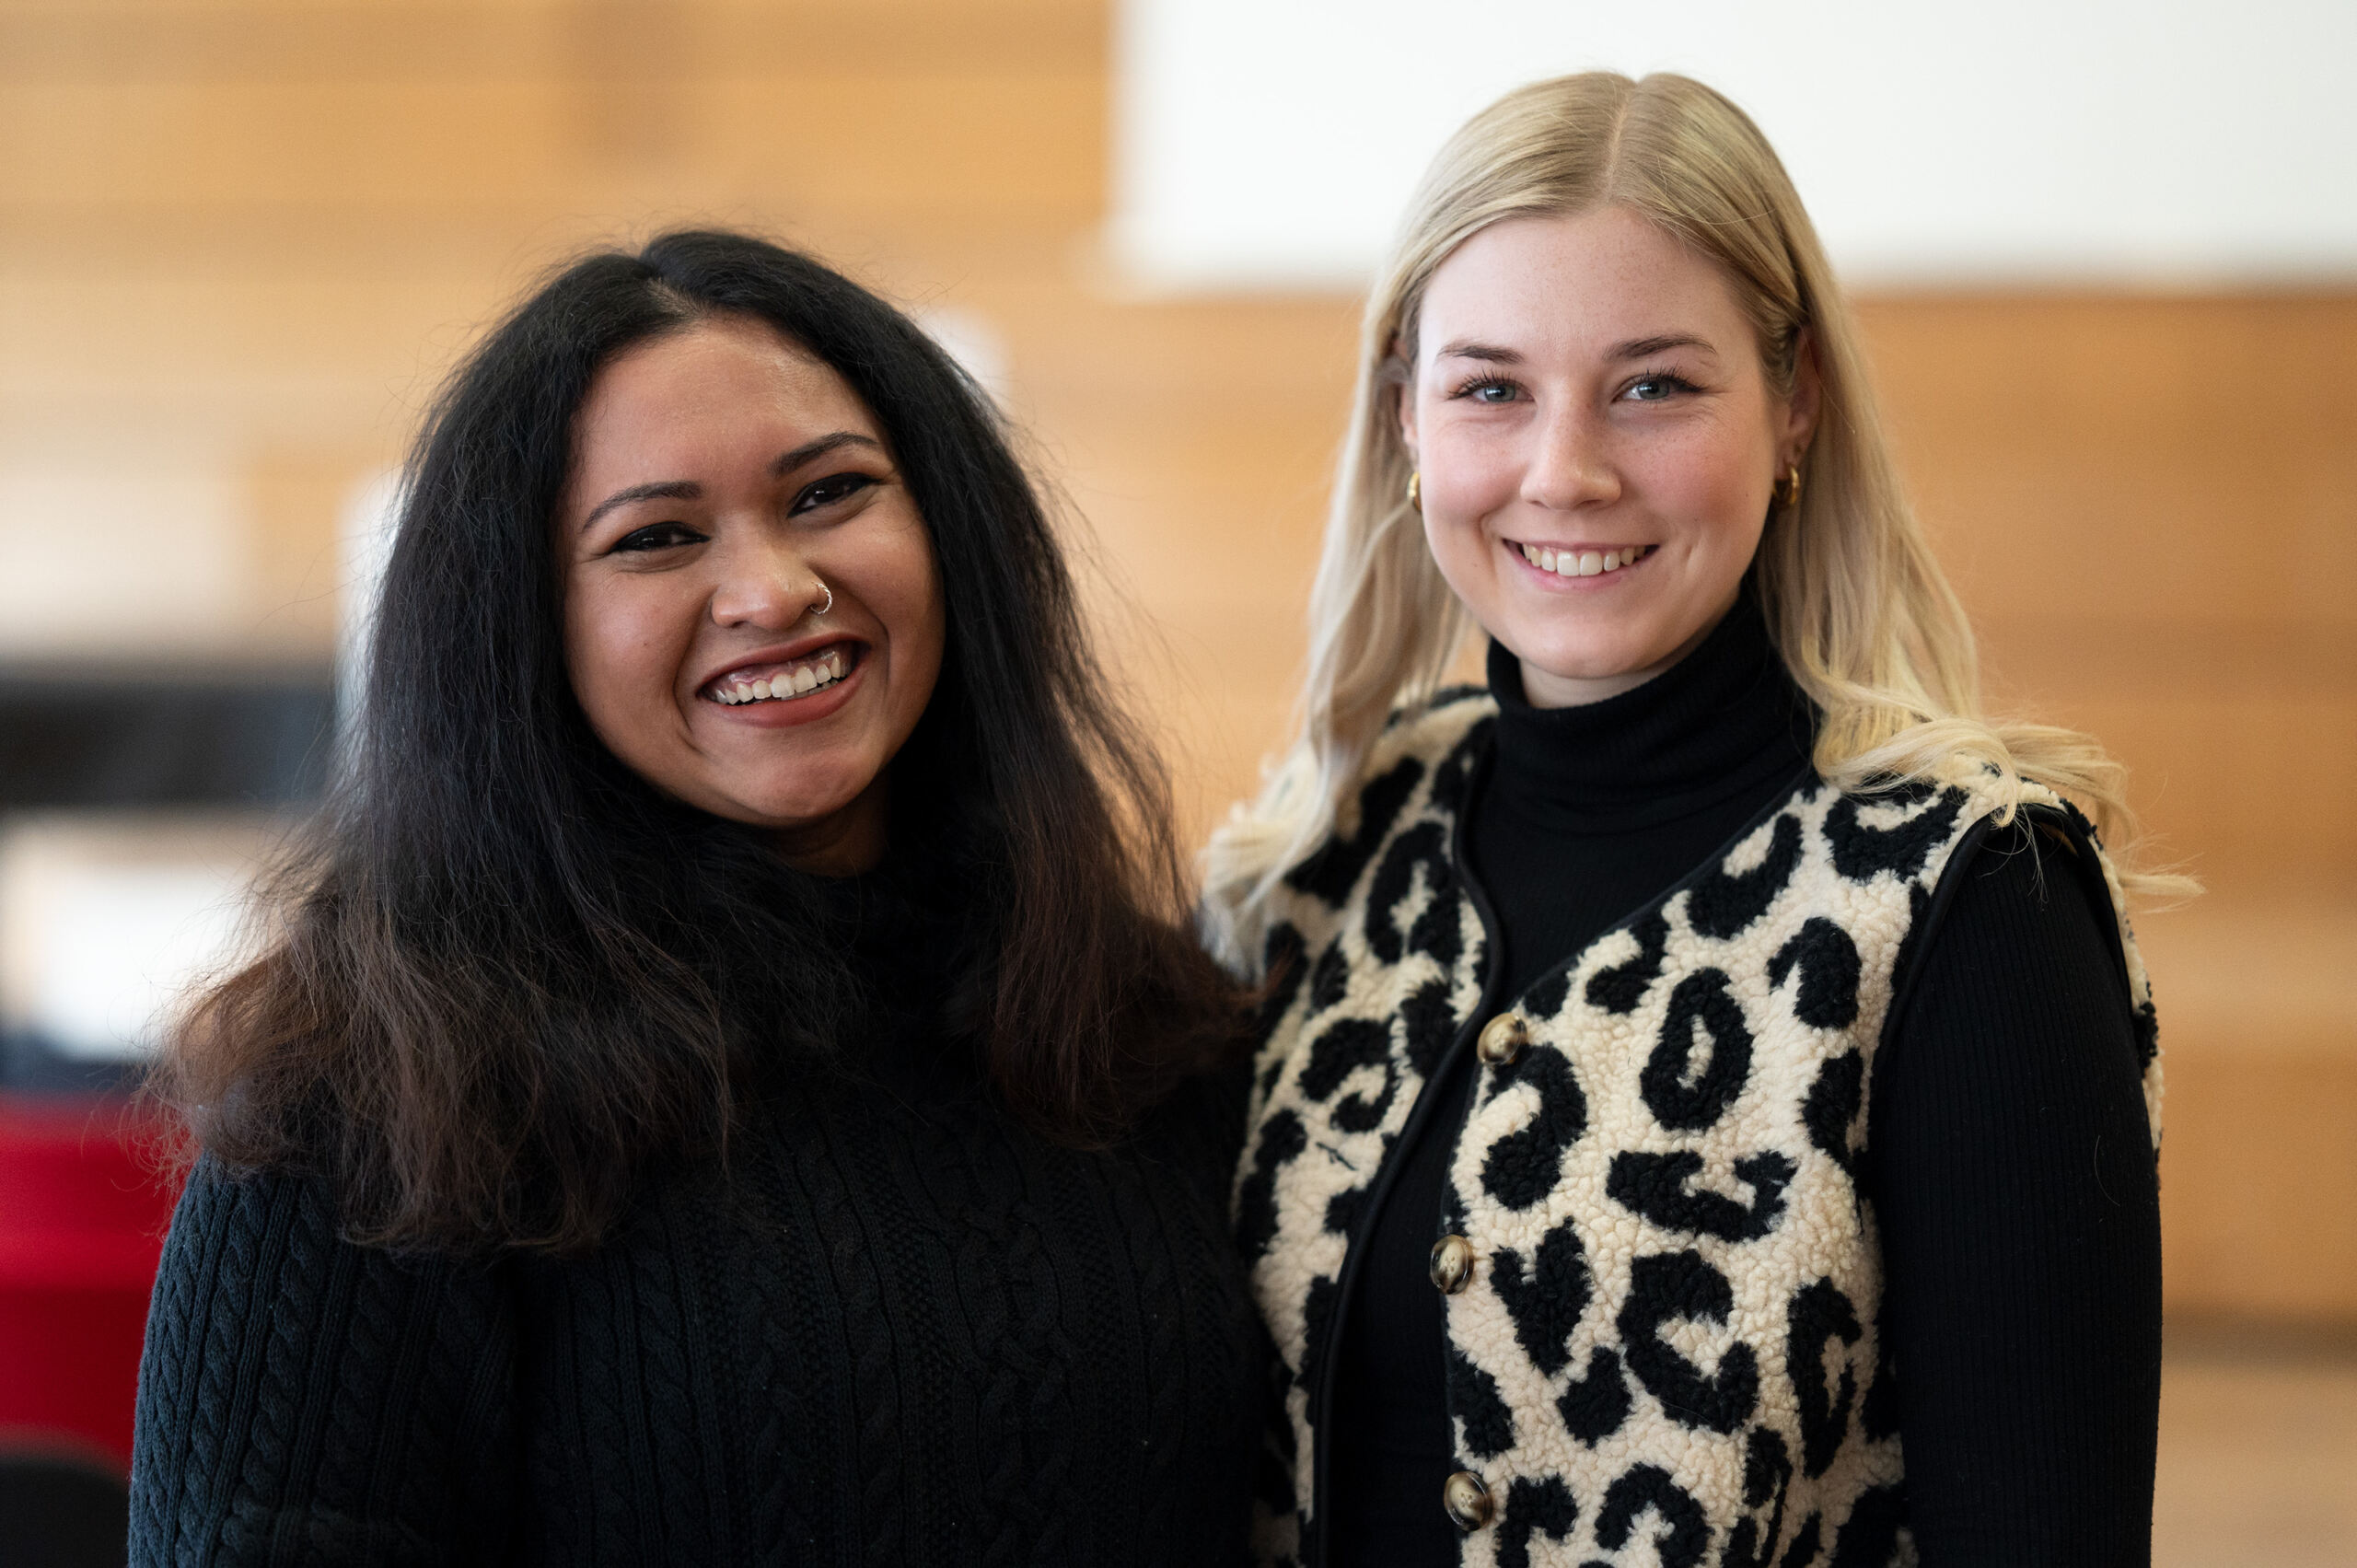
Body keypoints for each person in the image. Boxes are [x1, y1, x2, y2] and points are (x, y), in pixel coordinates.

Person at [133, 230, 1260, 1565]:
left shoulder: (1144, 1030)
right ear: (520, 631)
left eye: (831, 493)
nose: (774, 590)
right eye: (657, 537)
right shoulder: (377, 1103)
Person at [1202, 74, 2173, 1568]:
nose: (1564, 471)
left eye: (1654, 385)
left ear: (1795, 407)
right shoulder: (1336, 850)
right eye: (1489, 386)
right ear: (1404, 414)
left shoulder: (1968, 899)